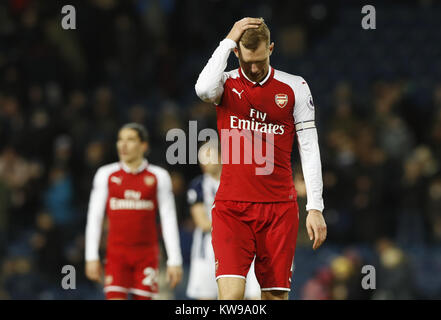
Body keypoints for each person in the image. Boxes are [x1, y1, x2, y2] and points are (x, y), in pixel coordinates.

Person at [195, 18, 327, 300]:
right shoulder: (225, 84)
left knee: (274, 297)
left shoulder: (295, 87)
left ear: (271, 48)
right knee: (231, 299)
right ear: (236, 54)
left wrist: (315, 206)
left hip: (279, 209)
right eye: (247, 62)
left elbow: (309, 147)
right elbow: (202, 89)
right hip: (232, 208)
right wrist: (229, 38)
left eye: (260, 60)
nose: (254, 69)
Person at [84, 123, 183, 300]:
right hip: (116, 254)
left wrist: (174, 260)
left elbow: (168, 219)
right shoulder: (105, 174)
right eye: (120, 140)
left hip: (146, 255)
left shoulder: (158, 176)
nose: (123, 145)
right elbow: (95, 217)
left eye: (130, 140)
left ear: (143, 146)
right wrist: (91, 256)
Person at [186, 141, 260, 300]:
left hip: (242, 245)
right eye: (201, 158)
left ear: (222, 157)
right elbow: (203, 223)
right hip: (207, 249)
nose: (203, 162)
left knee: (252, 296)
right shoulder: (198, 185)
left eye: (208, 157)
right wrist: (235, 220)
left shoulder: (241, 181)